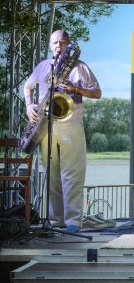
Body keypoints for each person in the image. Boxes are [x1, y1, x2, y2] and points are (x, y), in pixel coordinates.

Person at [24, 30, 102, 232]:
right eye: (56, 42)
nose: (59, 45)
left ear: (69, 45)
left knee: (72, 176)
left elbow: (97, 92)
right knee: (51, 175)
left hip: (71, 125)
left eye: (63, 42)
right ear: (50, 45)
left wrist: (75, 89)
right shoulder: (43, 67)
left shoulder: (80, 67)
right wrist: (29, 106)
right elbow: (27, 87)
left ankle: (73, 222)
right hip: (46, 126)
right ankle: (54, 220)